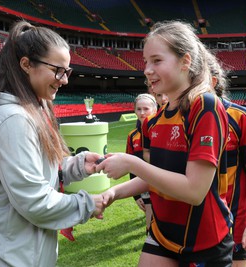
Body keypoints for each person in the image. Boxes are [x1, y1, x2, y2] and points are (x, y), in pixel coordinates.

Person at [0, 21, 105, 267]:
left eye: (67, 71)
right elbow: (35, 202)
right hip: (4, 259)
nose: (64, 80)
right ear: (26, 64)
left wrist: (79, 165)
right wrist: (88, 203)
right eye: (58, 70)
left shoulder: (28, 111)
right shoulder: (14, 118)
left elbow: (38, 171)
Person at [97, 20, 233, 266]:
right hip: (163, 234)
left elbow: (194, 191)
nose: (147, 69)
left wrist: (130, 163)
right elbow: (157, 176)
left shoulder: (205, 107)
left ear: (185, 61)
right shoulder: (154, 121)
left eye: (157, 61)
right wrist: (113, 193)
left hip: (205, 243)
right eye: (146, 62)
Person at [206, 51, 246, 267]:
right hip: (195, 226)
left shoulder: (241, 117)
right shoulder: (180, 118)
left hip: (236, 223)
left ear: (212, 82)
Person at [126, 93, 157, 234]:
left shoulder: (162, 130)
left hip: (166, 184)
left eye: (146, 109)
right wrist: (136, 195)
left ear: (155, 109)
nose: (142, 112)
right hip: (144, 185)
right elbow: (130, 165)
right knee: (150, 220)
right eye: (139, 109)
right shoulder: (132, 136)